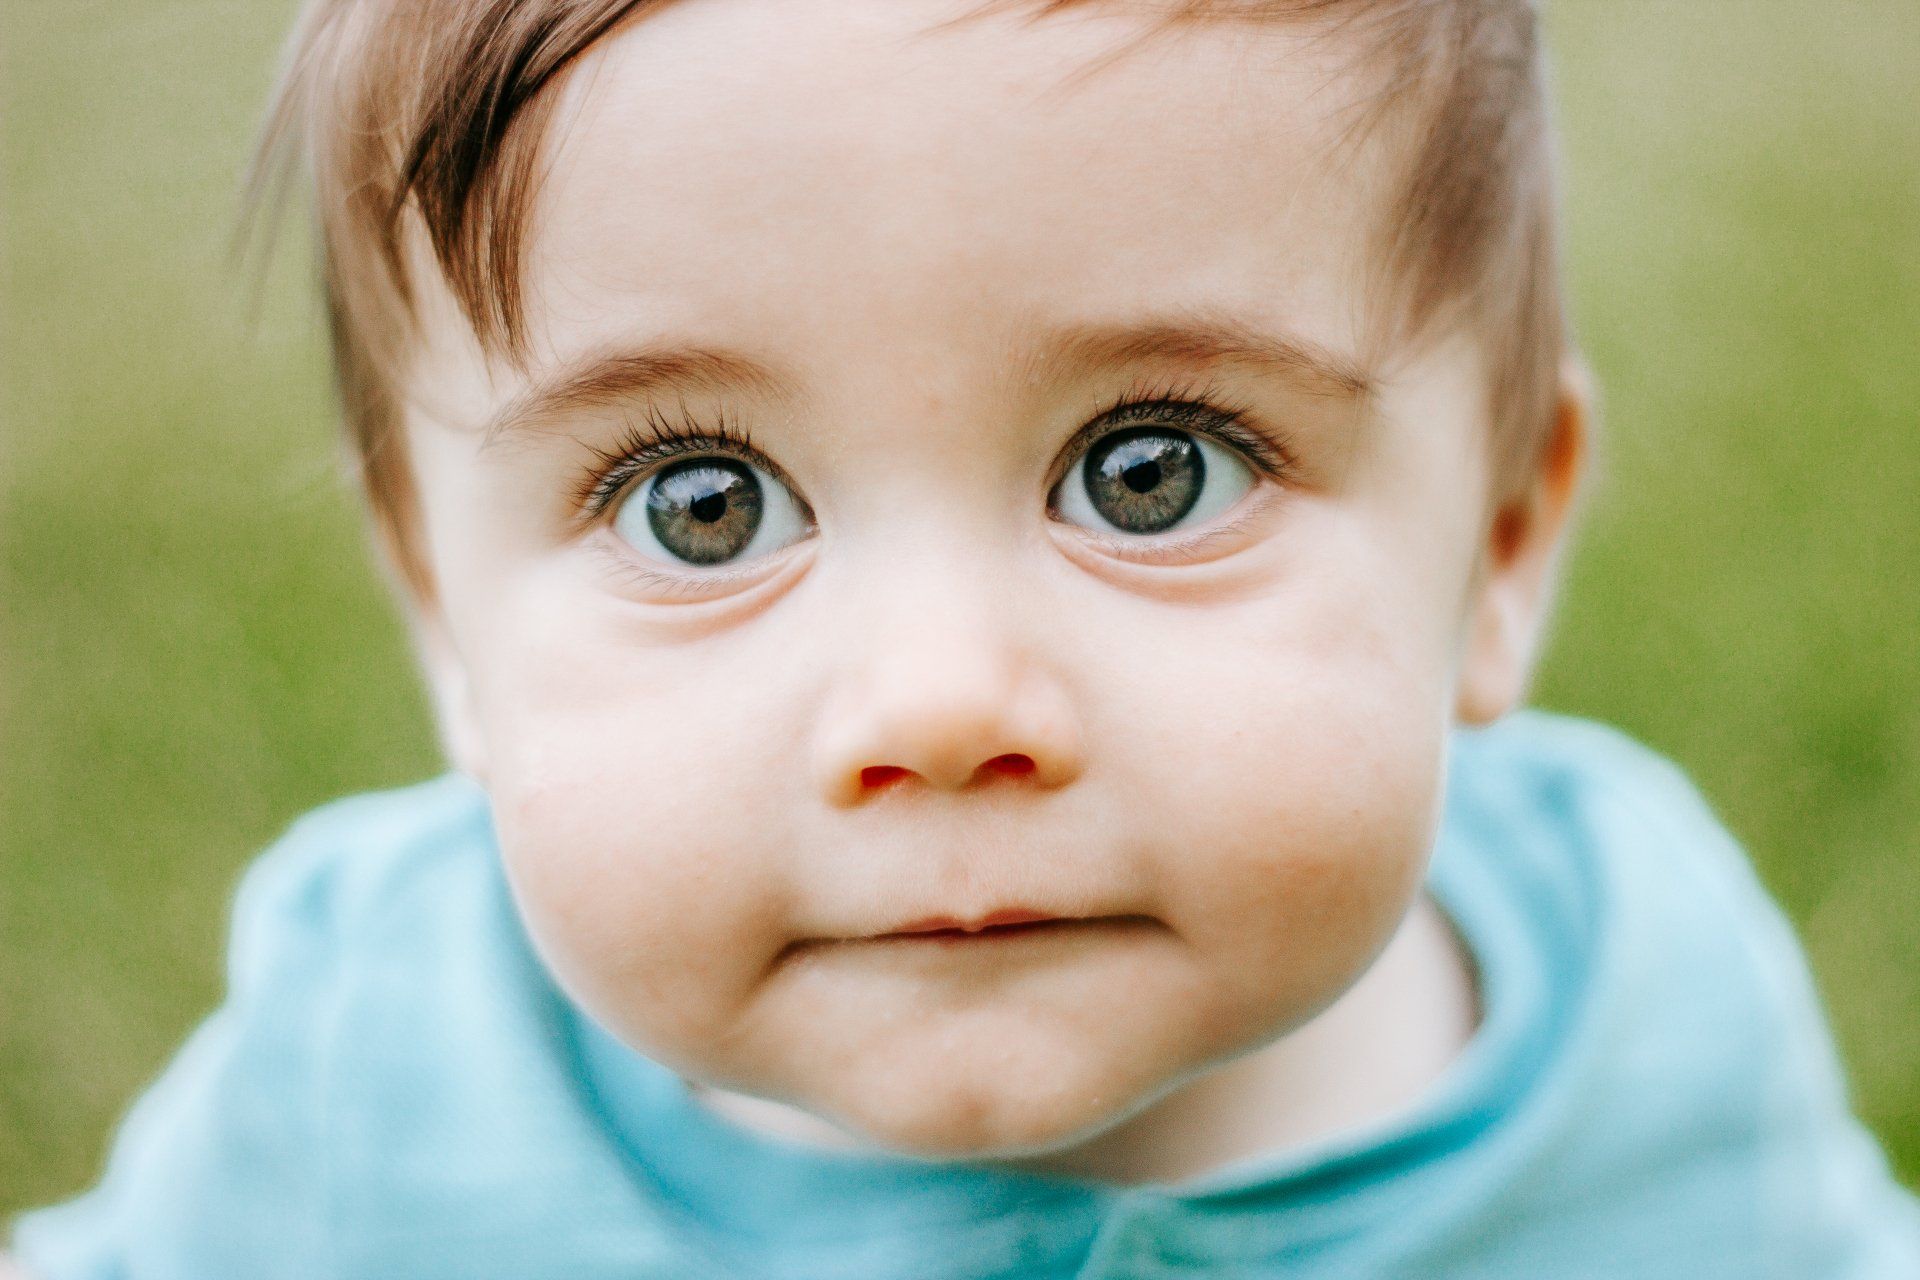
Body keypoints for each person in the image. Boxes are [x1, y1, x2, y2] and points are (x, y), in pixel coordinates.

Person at [10, 0, 1919, 1275]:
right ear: (442, 608)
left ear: (1500, 543)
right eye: (704, 505)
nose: (937, 703)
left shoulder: (1650, 1033)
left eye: (1155, 472)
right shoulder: (379, 1082)